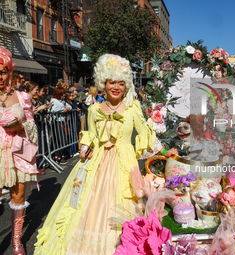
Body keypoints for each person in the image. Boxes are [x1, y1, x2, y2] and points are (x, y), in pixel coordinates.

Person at [34, 54, 178, 254]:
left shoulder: (132, 109)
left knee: (126, 204)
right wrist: (84, 150)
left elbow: (146, 134)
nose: (116, 87)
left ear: (125, 84)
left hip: (125, 164)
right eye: (112, 82)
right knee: (85, 205)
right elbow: (90, 135)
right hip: (97, 164)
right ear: (104, 83)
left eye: (120, 82)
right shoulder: (93, 110)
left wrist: (164, 151)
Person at [0, 47, 38, 255]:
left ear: (9, 71)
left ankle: (16, 241)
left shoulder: (23, 97)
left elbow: (32, 124)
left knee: (18, 197)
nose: (0, 76)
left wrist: (21, 127)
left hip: (17, 151)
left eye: (3, 71)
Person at [49, 86, 71, 164]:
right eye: (63, 93)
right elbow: (53, 110)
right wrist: (63, 109)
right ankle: (57, 157)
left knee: (60, 140)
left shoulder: (61, 101)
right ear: (59, 94)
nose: (64, 95)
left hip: (61, 123)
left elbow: (70, 107)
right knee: (58, 141)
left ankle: (58, 156)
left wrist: (67, 108)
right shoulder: (55, 101)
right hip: (56, 123)